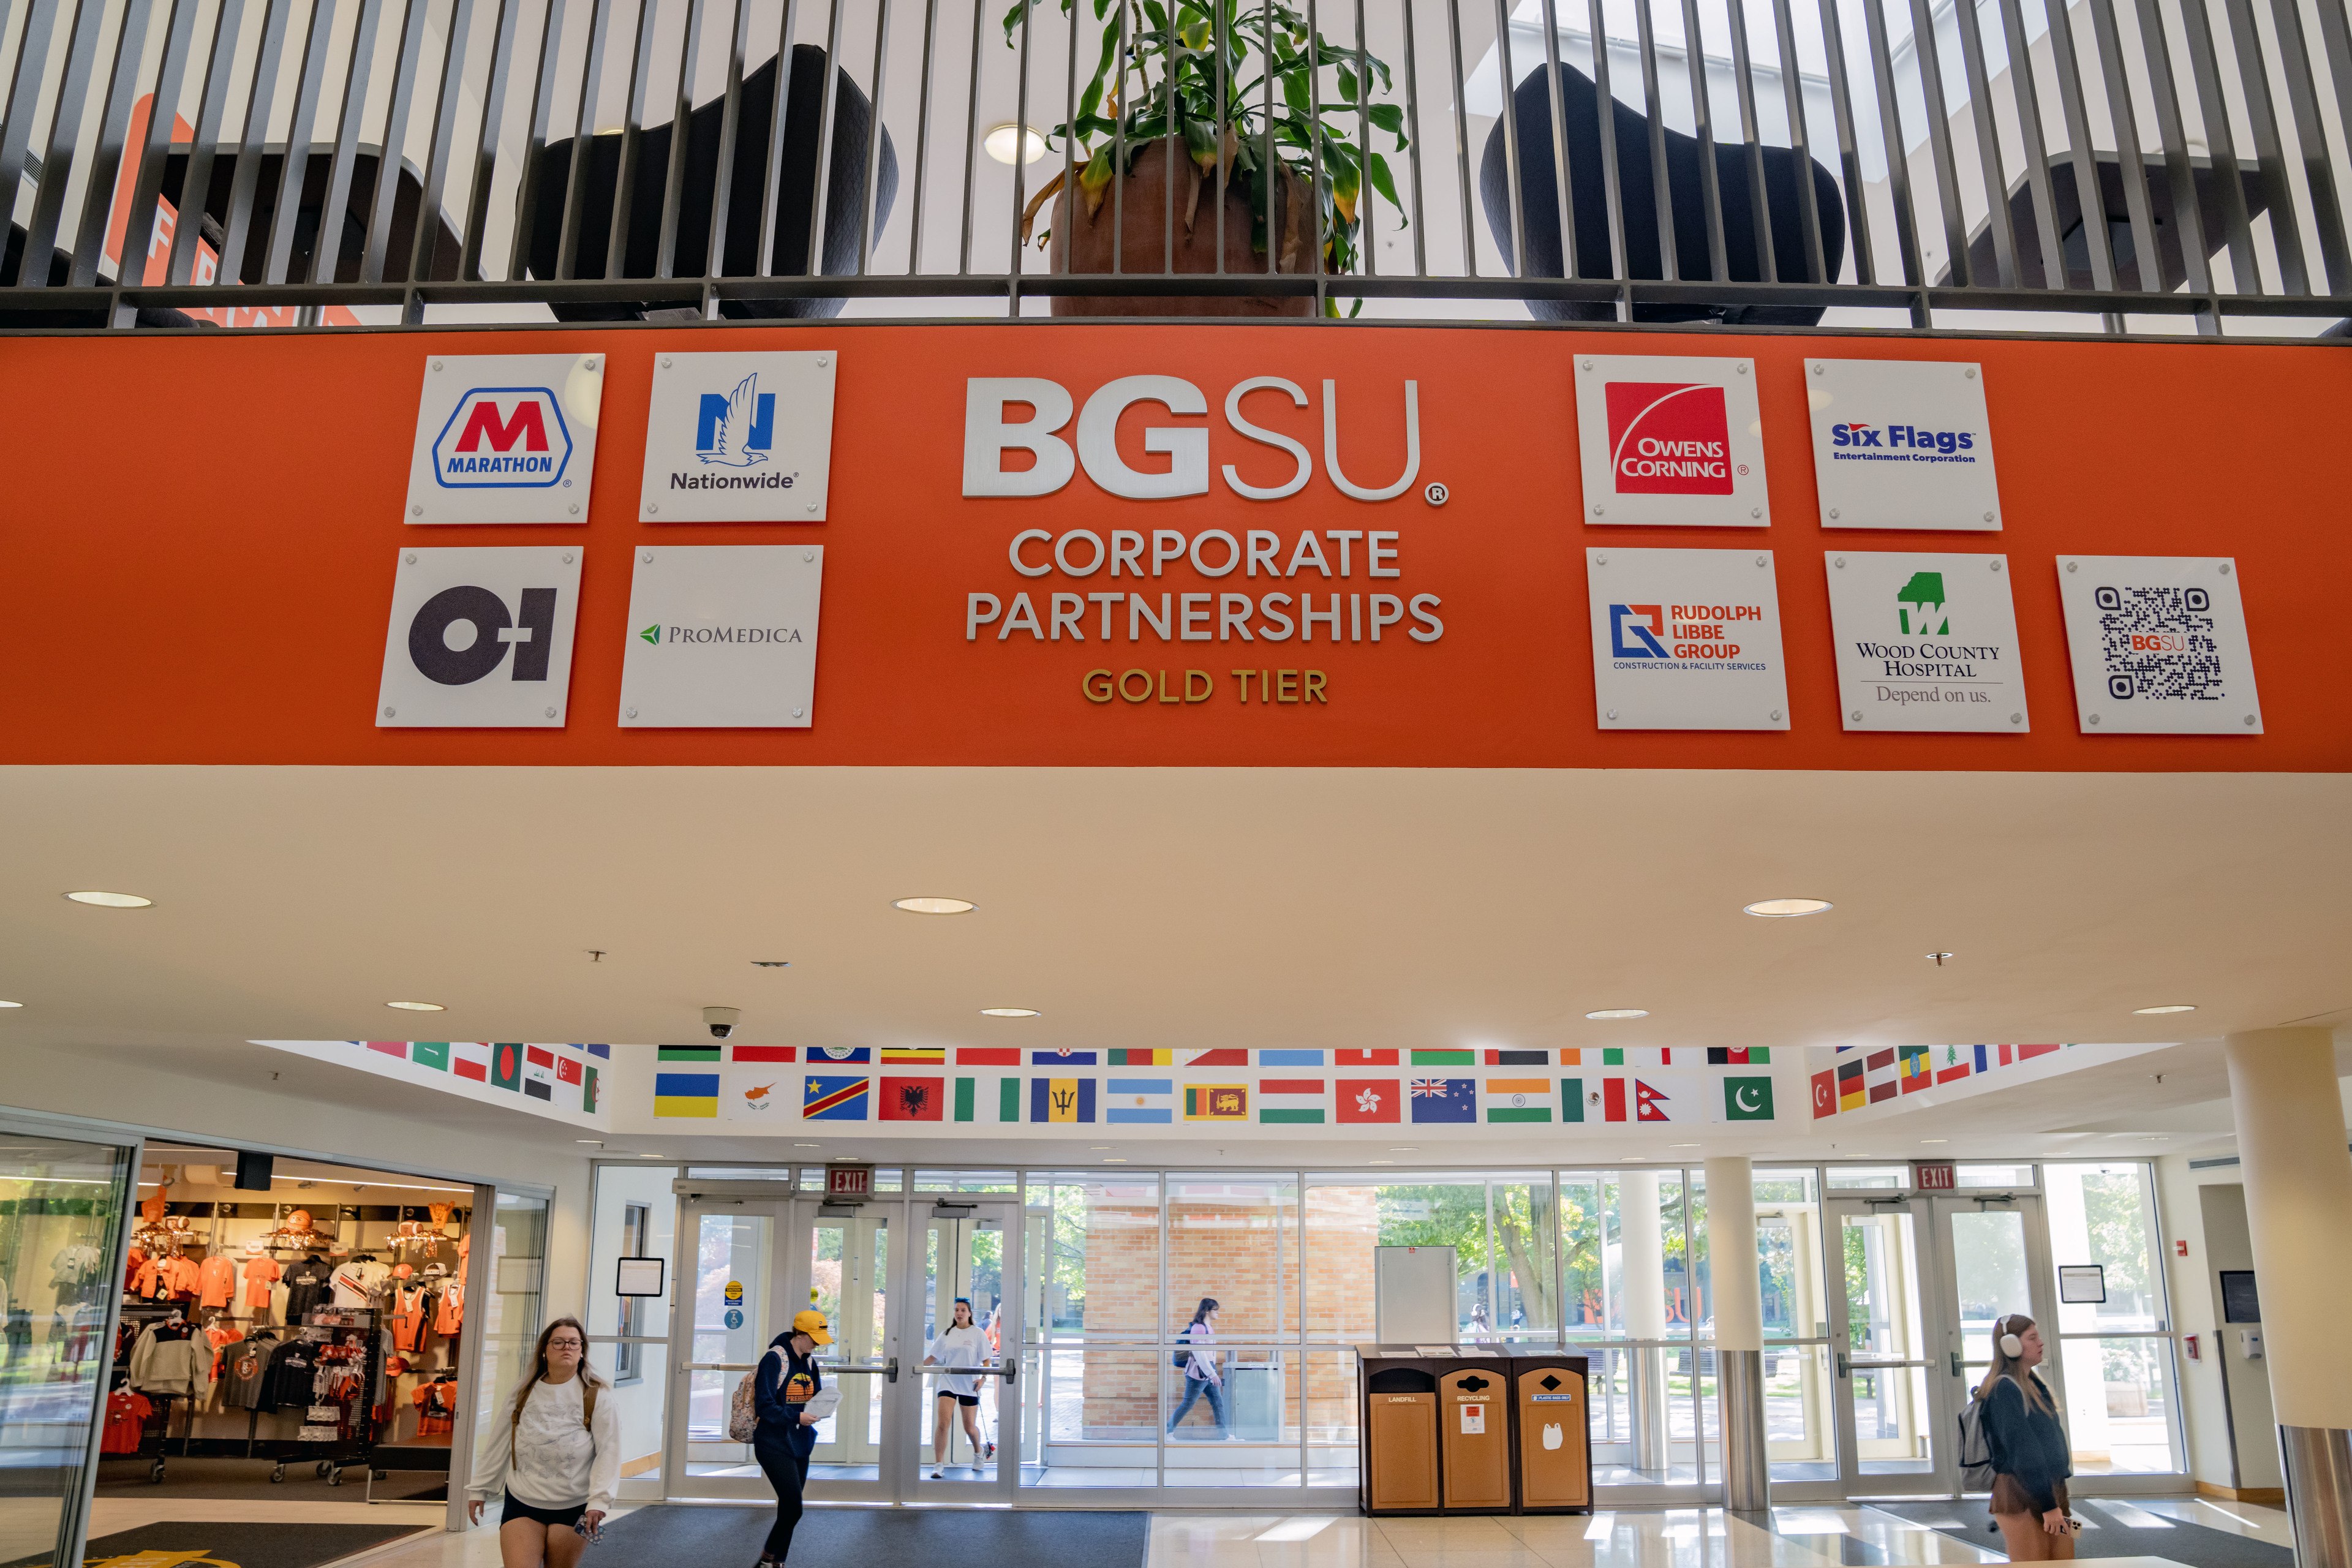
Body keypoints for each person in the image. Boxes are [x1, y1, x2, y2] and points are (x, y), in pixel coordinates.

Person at [466, 1318, 618, 1568]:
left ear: (582, 1352)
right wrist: (479, 1488)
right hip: (522, 1500)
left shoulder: (598, 1395)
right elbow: (500, 1442)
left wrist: (599, 1501)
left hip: (575, 1505)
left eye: (573, 1343)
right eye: (558, 1342)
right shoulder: (523, 1391)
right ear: (545, 1351)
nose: (566, 1348)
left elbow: (609, 1452)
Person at [1979, 1313, 2076, 1562]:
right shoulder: (2005, 1389)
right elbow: (2024, 1453)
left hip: (2051, 1489)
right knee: (2033, 1562)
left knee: (2064, 1560)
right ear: (2010, 1345)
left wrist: (2054, 1502)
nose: (2041, 1343)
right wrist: (2049, 1507)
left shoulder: (2034, 1384)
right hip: (2019, 1493)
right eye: (2032, 1338)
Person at [752, 1308, 831, 1568]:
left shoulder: (809, 1362)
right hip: (773, 1443)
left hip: (800, 1443)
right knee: (794, 1506)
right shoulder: (774, 1359)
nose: (818, 1344)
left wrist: (822, 1409)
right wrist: (797, 1417)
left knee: (788, 1507)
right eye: (814, 1337)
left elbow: (814, 1397)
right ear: (799, 1333)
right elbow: (764, 1406)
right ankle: (767, 1558)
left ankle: (777, 1561)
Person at [924, 1297, 997, 1477]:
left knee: (969, 1427)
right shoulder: (947, 1334)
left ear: (970, 1313)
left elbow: (987, 1360)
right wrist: (916, 1368)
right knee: (943, 1423)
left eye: (963, 1310)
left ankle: (979, 1452)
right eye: (957, 1310)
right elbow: (933, 1356)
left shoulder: (977, 1333)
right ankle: (939, 1464)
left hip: (969, 1384)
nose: (959, 1313)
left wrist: (983, 1380)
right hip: (948, 1382)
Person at [1166, 1297, 1227, 1439]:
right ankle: (1167, 1432)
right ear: (1207, 1311)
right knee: (1188, 1403)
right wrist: (1212, 1374)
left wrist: (1213, 1372)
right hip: (1198, 1373)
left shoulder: (1209, 1328)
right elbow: (1199, 1354)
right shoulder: (1198, 1328)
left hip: (1208, 1370)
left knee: (1218, 1403)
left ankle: (1224, 1436)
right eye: (1215, 1310)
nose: (1218, 1313)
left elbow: (1210, 1353)